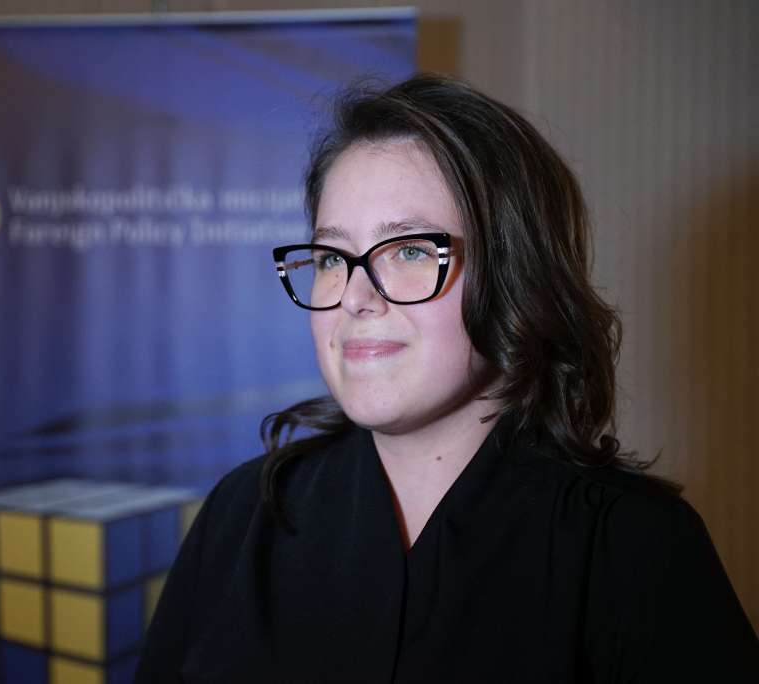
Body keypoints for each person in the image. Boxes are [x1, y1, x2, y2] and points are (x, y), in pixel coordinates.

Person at [134, 73, 759, 682]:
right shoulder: (244, 514)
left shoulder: (631, 546)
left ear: (517, 277)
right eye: (330, 257)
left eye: (408, 250)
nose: (354, 297)